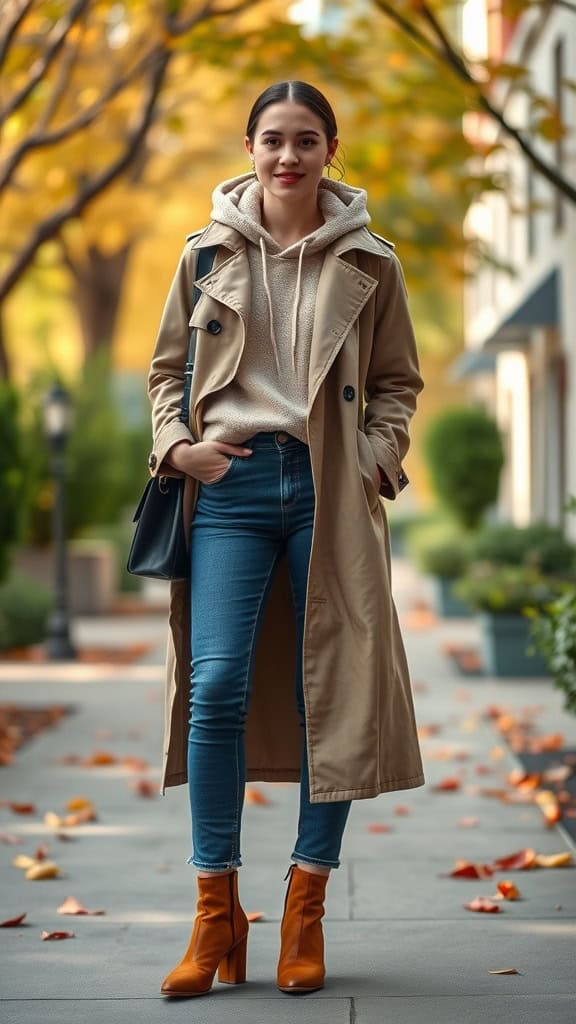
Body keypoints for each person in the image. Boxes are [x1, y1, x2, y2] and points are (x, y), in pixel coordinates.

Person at [146, 80, 425, 999]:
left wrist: (373, 461)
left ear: (329, 151)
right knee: (215, 681)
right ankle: (214, 909)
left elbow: (396, 383)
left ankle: (305, 902)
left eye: (307, 140)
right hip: (228, 483)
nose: (288, 156)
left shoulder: (372, 263)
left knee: (331, 695)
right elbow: (163, 372)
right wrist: (181, 448)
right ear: (251, 145)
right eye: (273, 139)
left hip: (328, 491)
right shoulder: (206, 254)